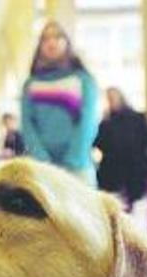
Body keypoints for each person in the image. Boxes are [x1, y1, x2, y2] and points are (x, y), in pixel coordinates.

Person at [21, 20, 98, 185]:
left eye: (57, 36)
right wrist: (43, 161)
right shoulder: (30, 84)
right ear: (40, 46)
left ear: (67, 43)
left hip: (78, 168)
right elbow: (27, 125)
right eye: (45, 38)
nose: (51, 42)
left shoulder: (83, 79)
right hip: (43, 170)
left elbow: (88, 122)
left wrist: (73, 160)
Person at [94, 87, 147, 205]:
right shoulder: (106, 121)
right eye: (109, 98)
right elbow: (98, 143)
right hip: (112, 168)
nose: (111, 100)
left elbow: (144, 141)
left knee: (130, 203)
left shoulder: (137, 118)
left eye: (113, 97)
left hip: (132, 168)